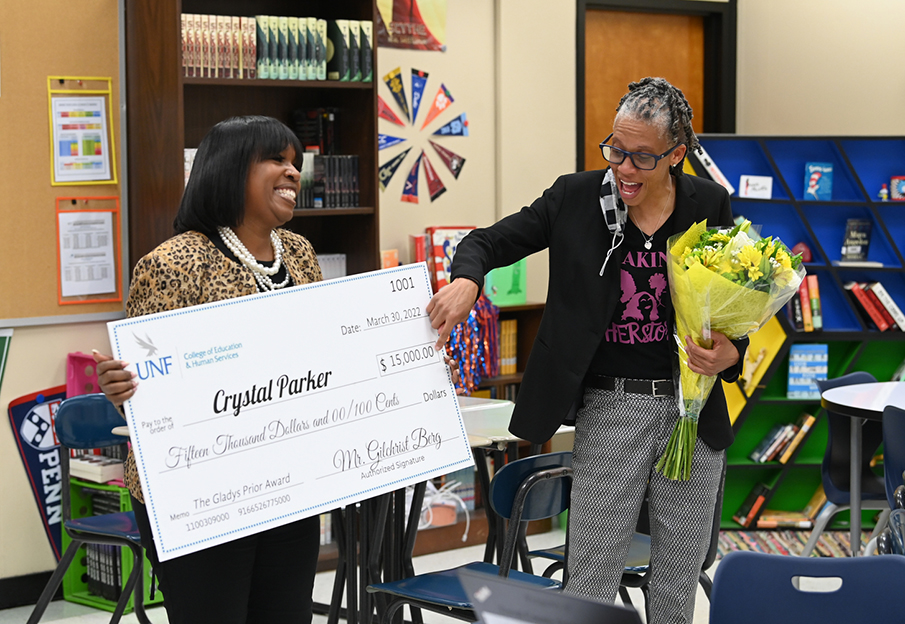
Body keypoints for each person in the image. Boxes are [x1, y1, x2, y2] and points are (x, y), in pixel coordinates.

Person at [426, 78, 748, 624]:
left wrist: (732, 352)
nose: (623, 168)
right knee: (592, 578)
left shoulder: (708, 203)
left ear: (675, 154)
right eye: (615, 150)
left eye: (642, 157)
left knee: (676, 582)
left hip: (692, 409)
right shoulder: (575, 198)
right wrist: (467, 280)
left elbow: (736, 298)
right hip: (612, 407)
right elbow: (486, 241)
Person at [94, 116, 323, 624]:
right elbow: (146, 380)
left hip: (288, 480)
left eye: (295, 164)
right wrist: (121, 385)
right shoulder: (174, 263)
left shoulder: (303, 256)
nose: (292, 173)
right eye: (276, 160)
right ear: (230, 169)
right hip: (199, 489)